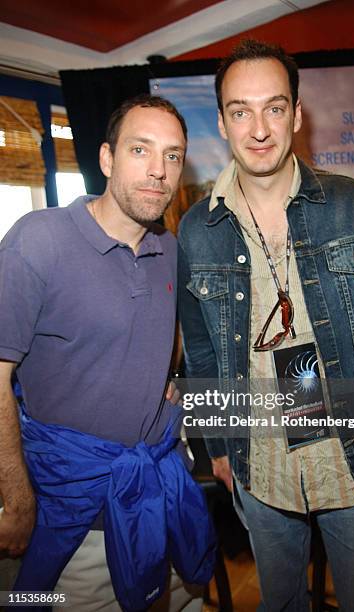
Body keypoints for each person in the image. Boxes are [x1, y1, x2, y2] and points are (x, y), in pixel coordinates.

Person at [178, 39, 354, 611]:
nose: (259, 128)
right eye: (241, 111)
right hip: (258, 464)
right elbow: (203, 355)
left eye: (274, 107)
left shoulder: (353, 206)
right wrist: (217, 445)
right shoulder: (194, 231)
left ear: (297, 113)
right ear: (221, 121)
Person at [0, 94, 214, 611]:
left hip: (158, 492)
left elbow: (169, 331)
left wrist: (169, 377)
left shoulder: (171, 250)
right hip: (76, 515)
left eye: (171, 155)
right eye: (141, 149)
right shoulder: (39, 241)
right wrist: (17, 498)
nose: (158, 170)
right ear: (106, 159)